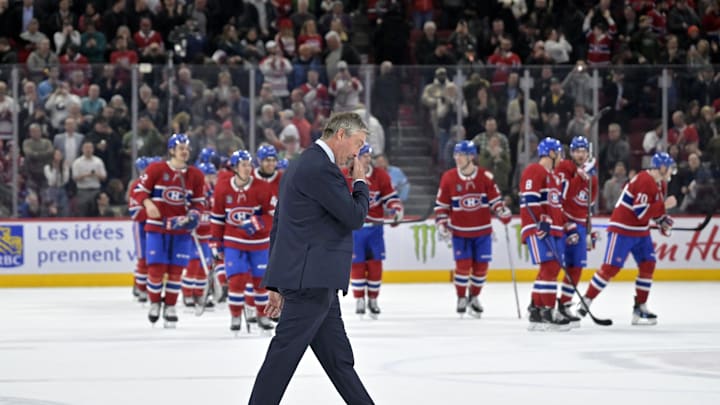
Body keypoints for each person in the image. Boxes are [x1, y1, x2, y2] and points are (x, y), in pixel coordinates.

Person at [249, 112, 373, 405]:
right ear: (341, 135)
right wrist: (360, 183)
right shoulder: (321, 168)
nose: (358, 152)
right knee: (282, 358)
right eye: (358, 143)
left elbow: (281, 224)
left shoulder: (303, 163)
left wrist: (276, 283)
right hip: (311, 284)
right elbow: (354, 216)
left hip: (315, 282)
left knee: (339, 362)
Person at [578, 152, 677, 325]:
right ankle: (586, 301)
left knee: (648, 264)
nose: (670, 171)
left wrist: (662, 220)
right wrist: (664, 206)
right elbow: (642, 212)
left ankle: (640, 306)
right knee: (610, 268)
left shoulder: (659, 184)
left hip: (641, 231)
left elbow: (650, 212)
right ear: (661, 167)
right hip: (622, 229)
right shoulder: (644, 180)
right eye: (669, 167)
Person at [134, 134, 205, 328]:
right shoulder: (156, 169)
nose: (185, 151)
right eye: (181, 147)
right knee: (156, 269)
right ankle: (155, 302)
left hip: (180, 231)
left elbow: (199, 203)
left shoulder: (195, 175)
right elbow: (139, 190)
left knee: (175, 271)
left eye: (187, 148)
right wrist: (148, 203)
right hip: (157, 228)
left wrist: (193, 217)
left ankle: (171, 306)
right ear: (172, 150)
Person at [435, 140, 512, 317]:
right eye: (456, 154)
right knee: (463, 267)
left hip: (483, 232)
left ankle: (474, 296)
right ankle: (461, 297)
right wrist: (441, 223)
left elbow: (495, 201)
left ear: (471, 157)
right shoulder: (448, 178)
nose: (457, 158)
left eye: (461, 154)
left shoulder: (485, 177)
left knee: (481, 268)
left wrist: (502, 211)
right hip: (460, 232)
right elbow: (442, 205)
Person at [211, 149, 276, 333]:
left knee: (260, 282)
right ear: (234, 167)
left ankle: (262, 315)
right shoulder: (223, 188)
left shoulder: (262, 187)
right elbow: (217, 218)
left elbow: (273, 215)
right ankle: (235, 315)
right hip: (234, 241)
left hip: (259, 243)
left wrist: (257, 222)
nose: (248, 168)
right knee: (237, 280)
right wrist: (215, 241)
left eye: (249, 164)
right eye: (244, 165)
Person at [519, 137, 573, 331]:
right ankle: (548, 310)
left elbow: (555, 208)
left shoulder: (553, 177)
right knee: (550, 268)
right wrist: (540, 222)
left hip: (553, 230)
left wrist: (567, 226)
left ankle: (536, 308)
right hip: (539, 229)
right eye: (559, 153)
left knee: (549, 269)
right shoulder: (535, 170)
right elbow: (528, 199)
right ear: (551, 153)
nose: (561, 158)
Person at [345, 143, 403, 318]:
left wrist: (396, 210)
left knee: (375, 265)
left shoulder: (381, 176)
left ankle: (373, 300)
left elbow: (390, 198)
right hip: (356, 230)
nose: (368, 159)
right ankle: (359, 299)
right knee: (357, 265)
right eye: (364, 155)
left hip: (375, 230)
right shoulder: (345, 177)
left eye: (369, 156)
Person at [552, 136, 599, 327]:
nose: (580, 154)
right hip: (562, 223)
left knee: (576, 267)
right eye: (577, 151)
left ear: (587, 153)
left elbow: (588, 207)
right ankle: (541, 305)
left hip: (579, 227)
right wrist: (565, 224)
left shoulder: (592, 178)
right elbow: (557, 199)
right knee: (553, 266)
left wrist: (589, 230)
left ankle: (564, 304)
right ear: (571, 153)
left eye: (583, 151)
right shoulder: (564, 169)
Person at [244, 144, 284, 322]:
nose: (271, 163)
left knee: (279, 272)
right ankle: (251, 305)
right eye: (267, 160)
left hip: (280, 233)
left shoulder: (283, 179)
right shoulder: (250, 179)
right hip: (254, 236)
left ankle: (277, 307)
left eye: (273, 159)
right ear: (259, 161)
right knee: (254, 273)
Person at [181, 161, 217, 311]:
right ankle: (187, 294)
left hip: (207, 236)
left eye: (212, 175)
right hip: (193, 236)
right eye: (207, 175)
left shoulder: (214, 193)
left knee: (205, 266)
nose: (210, 178)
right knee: (193, 264)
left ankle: (199, 293)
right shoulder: (195, 191)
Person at [128, 156, 155, 303]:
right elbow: (134, 211)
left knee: (153, 259)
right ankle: (141, 286)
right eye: (142, 169)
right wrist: (151, 213)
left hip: (154, 226)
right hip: (141, 226)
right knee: (143, 258)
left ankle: (147, 286)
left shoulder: (156, 184)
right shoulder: (136, 185)